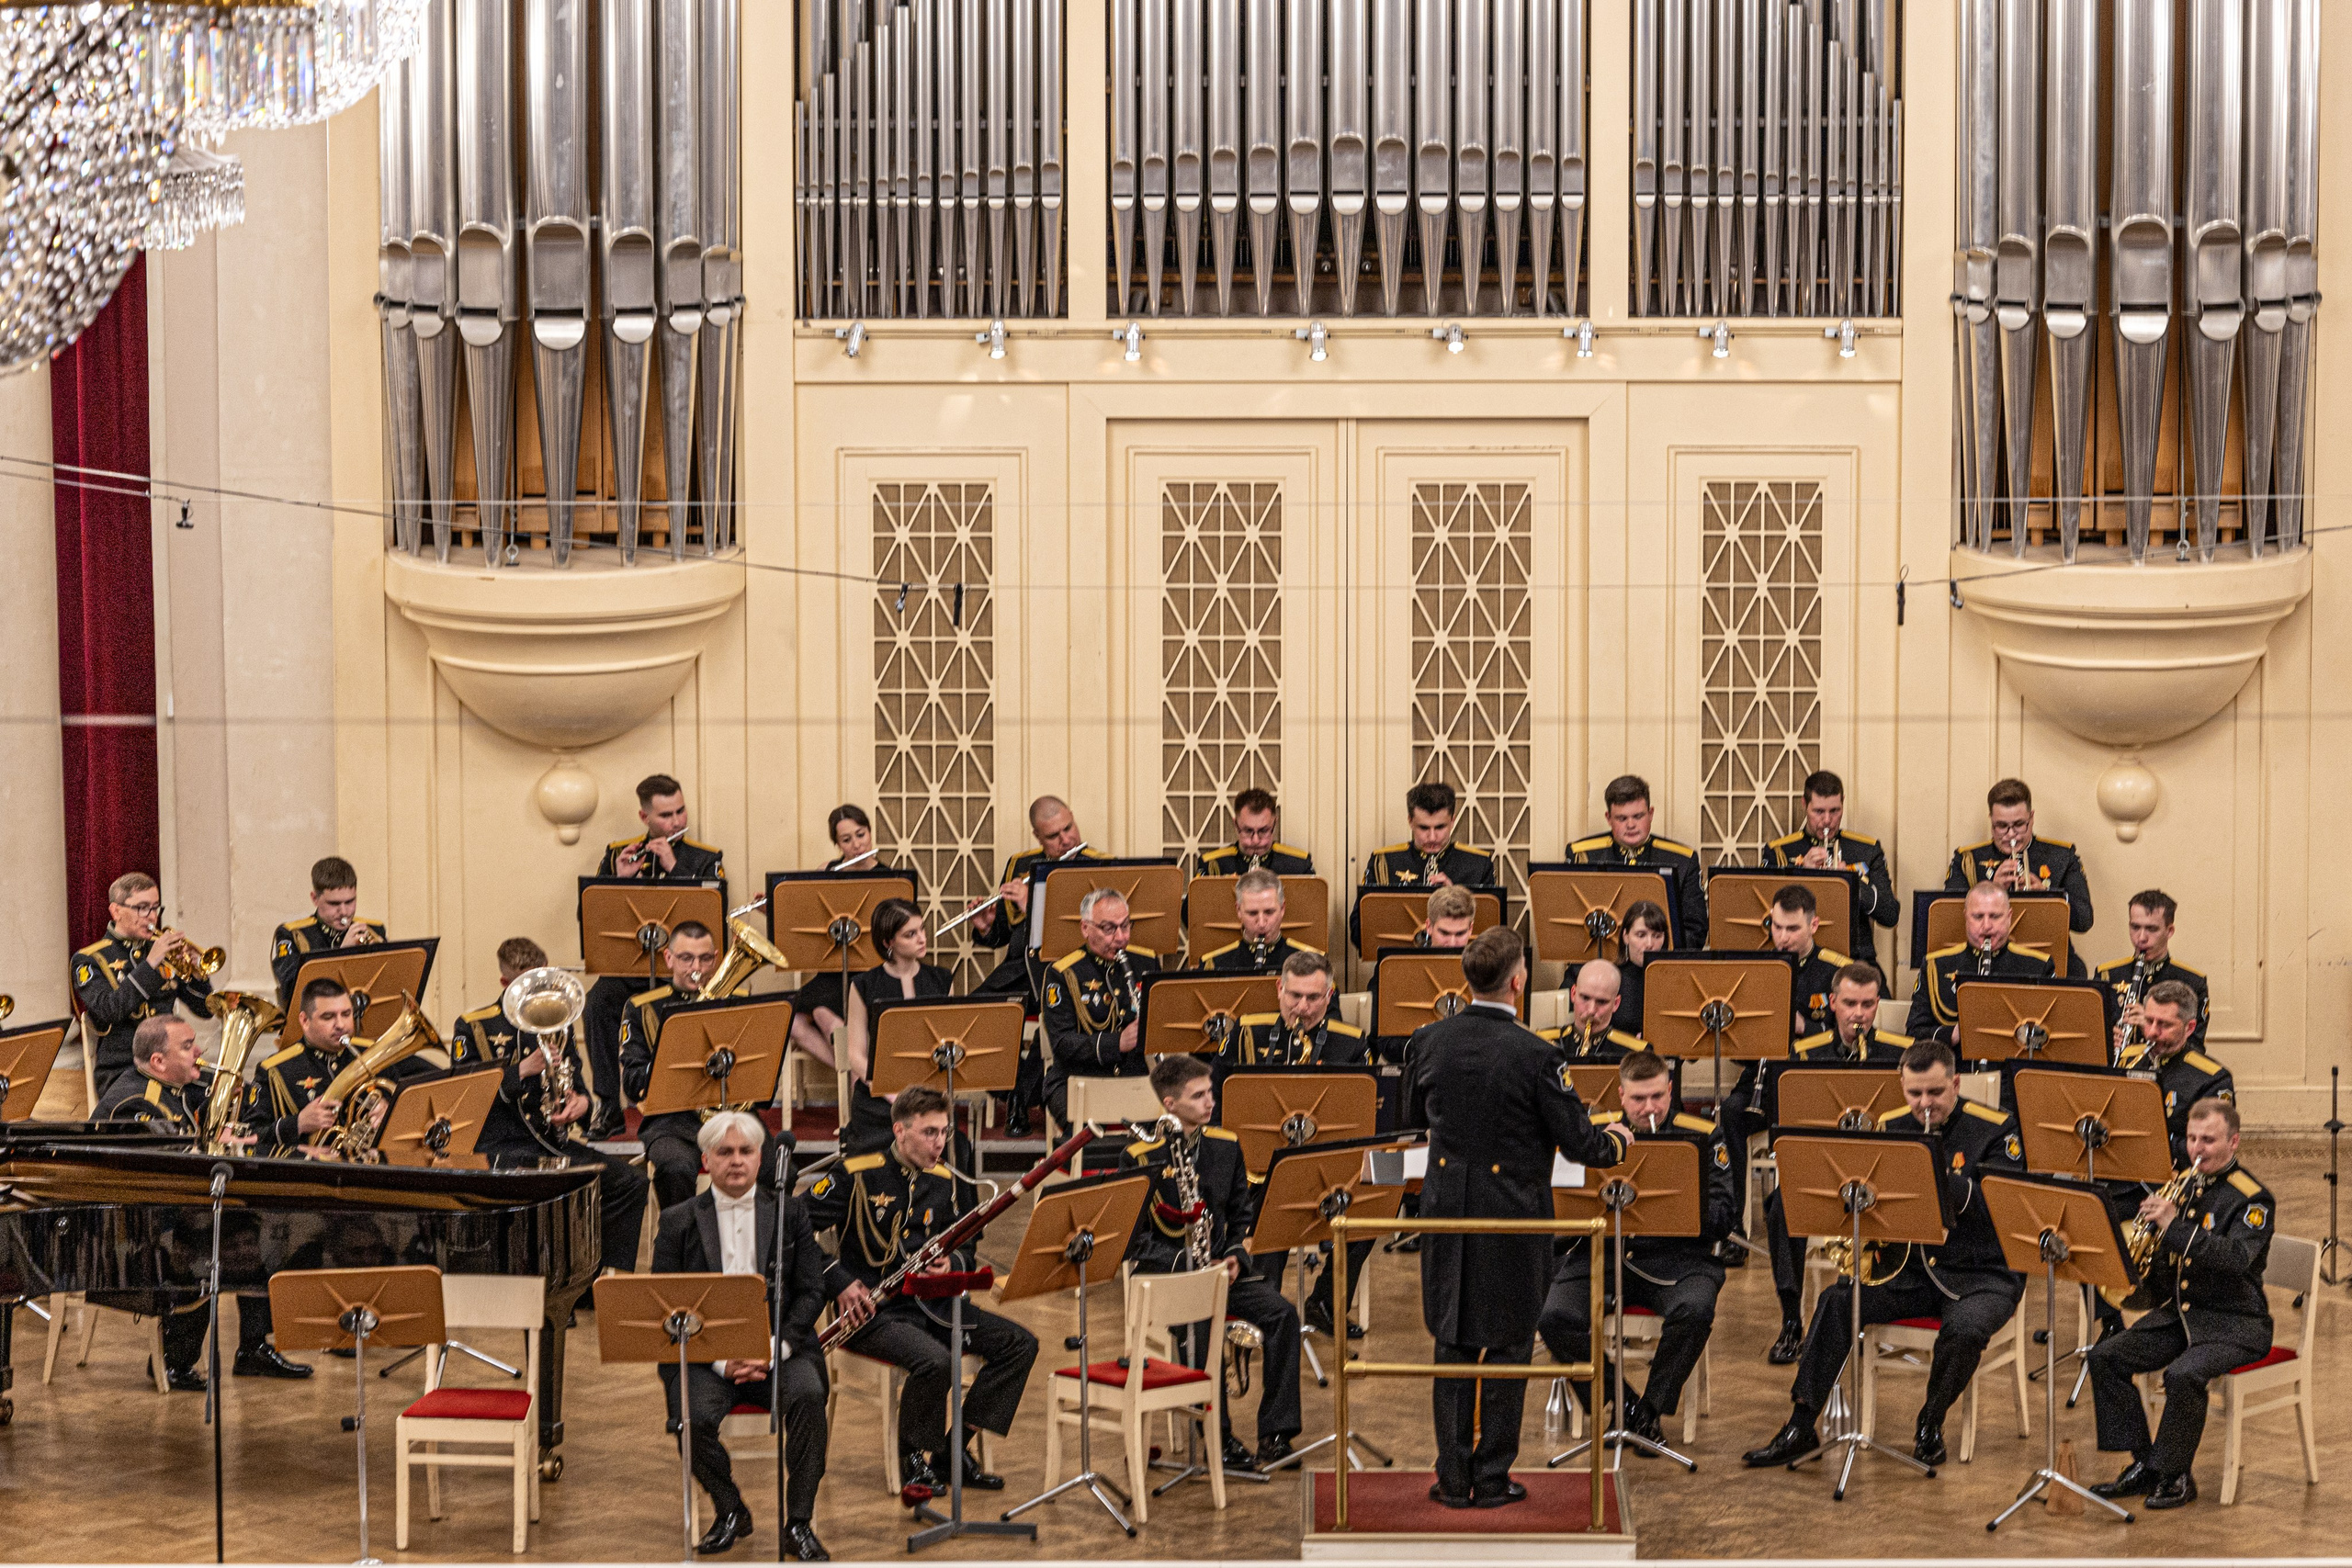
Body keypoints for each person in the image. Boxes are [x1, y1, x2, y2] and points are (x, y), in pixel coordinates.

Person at [1405, 927, 1633, 1507]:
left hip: (1446, 1211)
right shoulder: (1536, 1054)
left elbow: (1412, 1116)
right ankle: (1491, 1476)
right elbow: (1580, 1143)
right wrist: (1617, 1141)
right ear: (1518, 981)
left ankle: (1452, 1476)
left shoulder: (1427, 1041)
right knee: (1508, 1343)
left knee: (1452, 1340)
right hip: (1514, 1214)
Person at [1743, 1041, 2027, 1469]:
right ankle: (1800, 1425)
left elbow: (2003, 1209)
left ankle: (1930, 1422)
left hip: (1981, 1273)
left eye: (1935, 1092)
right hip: (1909, 1270)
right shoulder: (1890, 1126)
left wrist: (1934, 1176)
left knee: (1966, 1329)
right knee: (1837, 1301)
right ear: (1902, 1086)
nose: (1925, 1104)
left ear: (1955, 1084)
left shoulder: (1997, 1129)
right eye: (1915, 1093)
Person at [653, 1111, 875, 1559]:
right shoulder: (678, 1220)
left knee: (809, 1398)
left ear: (760, 1158)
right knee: (689, 1419)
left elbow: (810, 1291)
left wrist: (774, 1349)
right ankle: (730, 1508)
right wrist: (721, 1361)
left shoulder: (791, 1212)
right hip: (707, 1357)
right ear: (706, 1160)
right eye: (725, 1152)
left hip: (781, 1349)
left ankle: (799, 1523)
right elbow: (666, 1306)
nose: (736, 1161)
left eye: (745, 1151)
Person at [806, 1086, 1038, 1494]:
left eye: (944, 1132)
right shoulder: (857, 1173)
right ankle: (912, 1455)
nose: (940, 1143)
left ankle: (953, 1450)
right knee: (936, 1361)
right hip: (874, 1313)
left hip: (935, 1306)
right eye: (930, 1132)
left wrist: (954, 1263)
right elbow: (794, 1232)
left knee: (1019, 1345)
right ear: (900, 1130)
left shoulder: (946, 1179)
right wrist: (838, 1281)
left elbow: (967, 1244)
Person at [1536, 1050, 1735, 1448]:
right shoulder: (1595, 1136)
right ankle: (1622, 1402)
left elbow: (1725, 1213)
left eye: (1658, 1097)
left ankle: (1651, 1410)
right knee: (1552, 1316)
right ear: (1621, 1096)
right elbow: (1562, 1205)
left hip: (1679, 1260)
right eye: (1639, 1099)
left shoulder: (1702, 1134)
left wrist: (1682, 1204)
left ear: (1671, 1091)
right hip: (1604, 1255)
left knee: (1695, 1309)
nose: (1649, 1108)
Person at [94, 1016, 307, 1386]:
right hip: (129, 1225)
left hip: (173, 1205)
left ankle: (254, 1348)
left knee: (263, 1226)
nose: (199, 1051)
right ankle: (174, 1361)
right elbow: (167, 1168)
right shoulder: (137, 1102)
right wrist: (219, 1144)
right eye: (187, 1046)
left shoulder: (174, 1088)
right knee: (210, 1241)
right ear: (158, 1061)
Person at [2086, 1098, 2275, 1512]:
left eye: (2208, 1140)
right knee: (2105, 1357)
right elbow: (2171, 1266)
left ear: (2234, 1141)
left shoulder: (2253, 1199)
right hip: (2184, 1314)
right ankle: (2145, 1463)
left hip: (2235, 1324)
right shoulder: (2184, 1186)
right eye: (2191, 1139)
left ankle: (2175, 1475)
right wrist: (2140, 1261)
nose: (2197, 1149)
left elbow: (2234, 1259)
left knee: (2183, 1374)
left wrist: (2173, 1226)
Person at [1119, 1055, 1304, 1472]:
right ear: (1169, 1104)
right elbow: (1134, 1241)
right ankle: (1216, 1438)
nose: (1210, 1103)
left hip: (1220, 1272)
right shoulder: (1139, 1156)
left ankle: (1276, 1434)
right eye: (1198, 1096)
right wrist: (1189, 1262)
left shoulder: (1225, 1145)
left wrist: (1234, 1256)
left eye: (1210, 1093)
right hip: (1170, 1278)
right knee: (1202, 1327)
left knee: (1283, 1316)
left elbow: (1240, 1216)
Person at [447, 937, 650, 1278]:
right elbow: (462, 1095)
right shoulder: (474, 1025)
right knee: (539, 1198)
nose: (537, 994)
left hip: (551, 1145)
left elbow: (578, 1085)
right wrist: (520, 1071)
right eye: (526, 985)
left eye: (541, 983)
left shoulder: (558, 1022)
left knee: (630, 1183)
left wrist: (580, 1104)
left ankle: (593, 1277)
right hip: (499, 1149)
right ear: (505, 983)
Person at [1757, 964, 1909, 1361]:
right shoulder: (1805, 1055)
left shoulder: (1899, 1055)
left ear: (1877, 1004)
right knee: (1780, 1207)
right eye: (1850, 1004)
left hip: (1881, 1173)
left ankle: (1873, 1309)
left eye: (1867, 1004)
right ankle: (1791, 1318)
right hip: (1825, 1173)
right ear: (1833, 1003)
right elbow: (1787, 1127)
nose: (1859, 1014)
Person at [582, 774, 729, 1137]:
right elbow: (590, 919)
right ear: (644, 817)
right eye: (666, 815)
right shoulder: (617, 854)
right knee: (598, 1002)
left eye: (680, 811)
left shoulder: (706, 859)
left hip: (681, 973)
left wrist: (676, 870)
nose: (677, 821)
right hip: (629, 971)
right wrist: (618, 880)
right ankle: (609, 1106)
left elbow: (713, 919)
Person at [619, 920, 780, 1211]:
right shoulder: (642, 1006)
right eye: (686, 958)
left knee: (777, 1170)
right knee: (675, 1169)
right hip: (672, 1121)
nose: (697, 967)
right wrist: (670, 1054)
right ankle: (683, 1236)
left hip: (733, 1115)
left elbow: (762, 1076)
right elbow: (632, 1082)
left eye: (705, 959)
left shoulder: (739, 1002)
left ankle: (757, 1236)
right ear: (668, 958)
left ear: (716, 958)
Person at [967, 795, 1106, 1130]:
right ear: (1038, 836)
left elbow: (1092, 937)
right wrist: (986, 926)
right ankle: (1014, 1090)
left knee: (1055, 1020)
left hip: (1071, 972)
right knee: (969, 1019)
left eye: (1068, 828)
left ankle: (1020, 1099)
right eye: (1053, 836)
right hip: (1022, 969)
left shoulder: (1100, 866)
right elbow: (1004, 932)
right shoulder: (1020, 864)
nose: (1066, 840)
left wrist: (1034, 904)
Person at [786, 806, 910, 1072]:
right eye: (846, 840)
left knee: (825, 1016)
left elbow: (899, 936)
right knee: (792, 1022)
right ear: (838, 844)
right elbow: (804, 920)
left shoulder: (889, 879)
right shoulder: (826, 871)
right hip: (831, 973)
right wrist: (772, 910)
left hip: (871, 972)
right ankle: (860, 1073)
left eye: (861, 835)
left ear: (870, 833)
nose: (856, 845)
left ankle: (858, 1075)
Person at [72, 871, 215, 1096]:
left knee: (229, 1089)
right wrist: (149, 965)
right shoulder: (90, 959)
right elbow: (109, 1010)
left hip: (171, 1066)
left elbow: (204, 1010)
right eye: (142, 908)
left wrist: (197, 973)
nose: (151, 916)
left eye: (155, 908)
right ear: (116, 911)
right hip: (124, 1070)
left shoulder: (164, 953)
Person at [1037, 888, 1162, 1130]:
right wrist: (1117, 1043)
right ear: (1086, 928)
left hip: (1133, 1079)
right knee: (1089, 1137)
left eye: (1125, 926)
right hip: (1077, 1080)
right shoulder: (1062, 973)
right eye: (1109, 929)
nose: (1121, 937)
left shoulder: (1146, 963)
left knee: (1165, 1131)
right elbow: (1062, 1043)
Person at [840, 897, 954, 1156]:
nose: (922, 938)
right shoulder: (863, 985)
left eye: (921, 929)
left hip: (928, 1096)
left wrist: (931, 1098)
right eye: (910, 934)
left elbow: (947, 1044)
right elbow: (855, 1056)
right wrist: (892, 1095)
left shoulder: (942, 980)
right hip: (880, 1098)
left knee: (953, 1147)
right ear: (888, 943)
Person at [1944, 778, 2094, 973]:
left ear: (2031, 818)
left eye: (2019, 825)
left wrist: (2048, 894)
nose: (2011, 834)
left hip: (2050, 962)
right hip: (1986, 960)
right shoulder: (1967, 860)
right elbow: (1949, 919)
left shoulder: (2061, 856)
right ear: (1991, 820)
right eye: (2001, 826)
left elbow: (2084, 920)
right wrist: (1991, 888)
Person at [1761, 771, 1899, 971]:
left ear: (1842, 804)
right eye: (1819, 811)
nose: (1827, 820)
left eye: (1835, 811)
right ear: (1804, 805)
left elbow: (1890, 915)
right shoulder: (1780, 852)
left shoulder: (1867, 850)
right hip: (1799, 960)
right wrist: (1802, 873)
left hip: (1856, 961)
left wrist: (1851, 882)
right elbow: (1766, 916)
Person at [1906, 883, 2056, 1049]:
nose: (1986, 926)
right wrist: (1954, 1034)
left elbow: (2052, 1034)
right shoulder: (1935, 965)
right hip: (1954, 1063)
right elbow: (1914, 1033)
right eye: (1978, 917)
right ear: (1966, 916)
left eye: (1995, 916)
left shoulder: (2039, 966)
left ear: (2009, 917)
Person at [1351, 782, 1498, 950]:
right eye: (1424, 828)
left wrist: (1457, 899)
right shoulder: (1384, 862)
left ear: (1452, 821)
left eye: (1440, 827)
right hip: (1397, 962)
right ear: (1410, 821)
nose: (1432, 837)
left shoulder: (1478, 864)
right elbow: (1358, 933)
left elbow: (1492, 937)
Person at [1569, 775, 1706, 948]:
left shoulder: (1683, 860)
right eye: (1622, 818)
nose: (1631, 825)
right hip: (1600, 959)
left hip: (1658, 959)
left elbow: (1695, 932)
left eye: (1638, 816)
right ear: (1608, 818)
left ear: (1651, 814)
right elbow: (1572, 927)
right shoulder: (1583, 855)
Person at [248, 977, 379, 1149]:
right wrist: (298, 1123)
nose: (340, 1025)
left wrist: (390, 1110)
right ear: (305, 1021)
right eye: (328, 1017)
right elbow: (249, 1138)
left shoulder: (373, 1053)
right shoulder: (275, 1069)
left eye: (346, 1014)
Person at [1365, 886, 1478, 1065]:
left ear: (1471, 929)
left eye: (1460, 933)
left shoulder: (1485, 968)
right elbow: (1383, 1040)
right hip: (1414, 1064)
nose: (1452, 943)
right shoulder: (1394, 967)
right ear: (1429, 926)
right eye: (1444, 933)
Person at [2131, 982, 2234, 1167]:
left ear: (2190, 1028)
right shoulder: (2126, 1059)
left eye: (2164, 1024)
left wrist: (2140, 1142)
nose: (2152, 1032)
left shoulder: (2212, 1079)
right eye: (2148, 1021)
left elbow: (2209, 1150)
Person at [2100, 890, 2211, 1058]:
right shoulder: (2107, 975)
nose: (2141, 938)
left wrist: (2150, 1027)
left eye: (2151, 929)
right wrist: (2106, 1042)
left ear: (2170, 931)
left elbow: (2195, 1049)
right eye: (2135, 927)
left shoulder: (2192, 982)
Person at [268, 855, 386, 1009]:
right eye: (334, 904)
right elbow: (292, 990)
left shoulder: (374, 929)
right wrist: (341, 954)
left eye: (350, 901)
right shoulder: (292, 934)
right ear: (315, 899)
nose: (344, 912)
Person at [1230, 951, 1366, 1073]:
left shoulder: (1353, 1043)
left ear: (1329, 996)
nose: (1302, 1007)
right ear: (1280, 989)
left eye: (1313, 997)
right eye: (1295, 995)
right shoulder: (1245, 1031)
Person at [1767, 884, 1850, 1039]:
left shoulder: (1839, 971)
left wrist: (1805, 1027)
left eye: (1793, 929)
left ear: (1814, 925)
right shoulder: (1760, 966)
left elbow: (1855, 1032)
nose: (1783, 938)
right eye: (1777, 927)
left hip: (1816, 1054)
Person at [1196, 867, 1317, 974]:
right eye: (1252, 913)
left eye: (1269, 912)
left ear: (1282, 908)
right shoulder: (1214, 963)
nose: (1262, 923)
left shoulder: (1312, 962)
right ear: (1238, 910)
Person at [1592, 899, 1670, 1036]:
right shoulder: (1610, 978)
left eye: (1657, 936)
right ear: (1626, 937)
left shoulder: (1674, 980)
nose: (1649, 944)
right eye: (1641, 935)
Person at [1543, 959, 1645, 1063]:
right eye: (1585, 998)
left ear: (1616, 1004)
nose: (1591, 1010)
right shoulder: (1542, 1043)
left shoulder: (1638, 1053)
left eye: (1602, 1002)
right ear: (1573, 994)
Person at [1197, 787, 1316, 874]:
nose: (1255, 841)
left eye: (1263, 831)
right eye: (1248, 831)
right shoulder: (1212, 864)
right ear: (1236, 824)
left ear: (1274, 824)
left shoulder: (1299, 866)